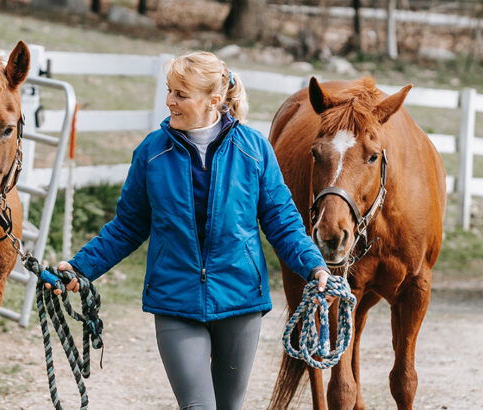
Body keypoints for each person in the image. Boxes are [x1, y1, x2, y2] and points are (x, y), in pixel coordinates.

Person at [48, 51, 331, 410]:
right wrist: (80, 267)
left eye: (180, 94)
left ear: (213, 100)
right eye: (169, 91)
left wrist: (314, 266)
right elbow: (127, 226)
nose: (169, 101)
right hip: (175, 300)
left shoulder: (255, 150)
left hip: (239, 299)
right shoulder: (151, 153)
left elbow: (282, 220)